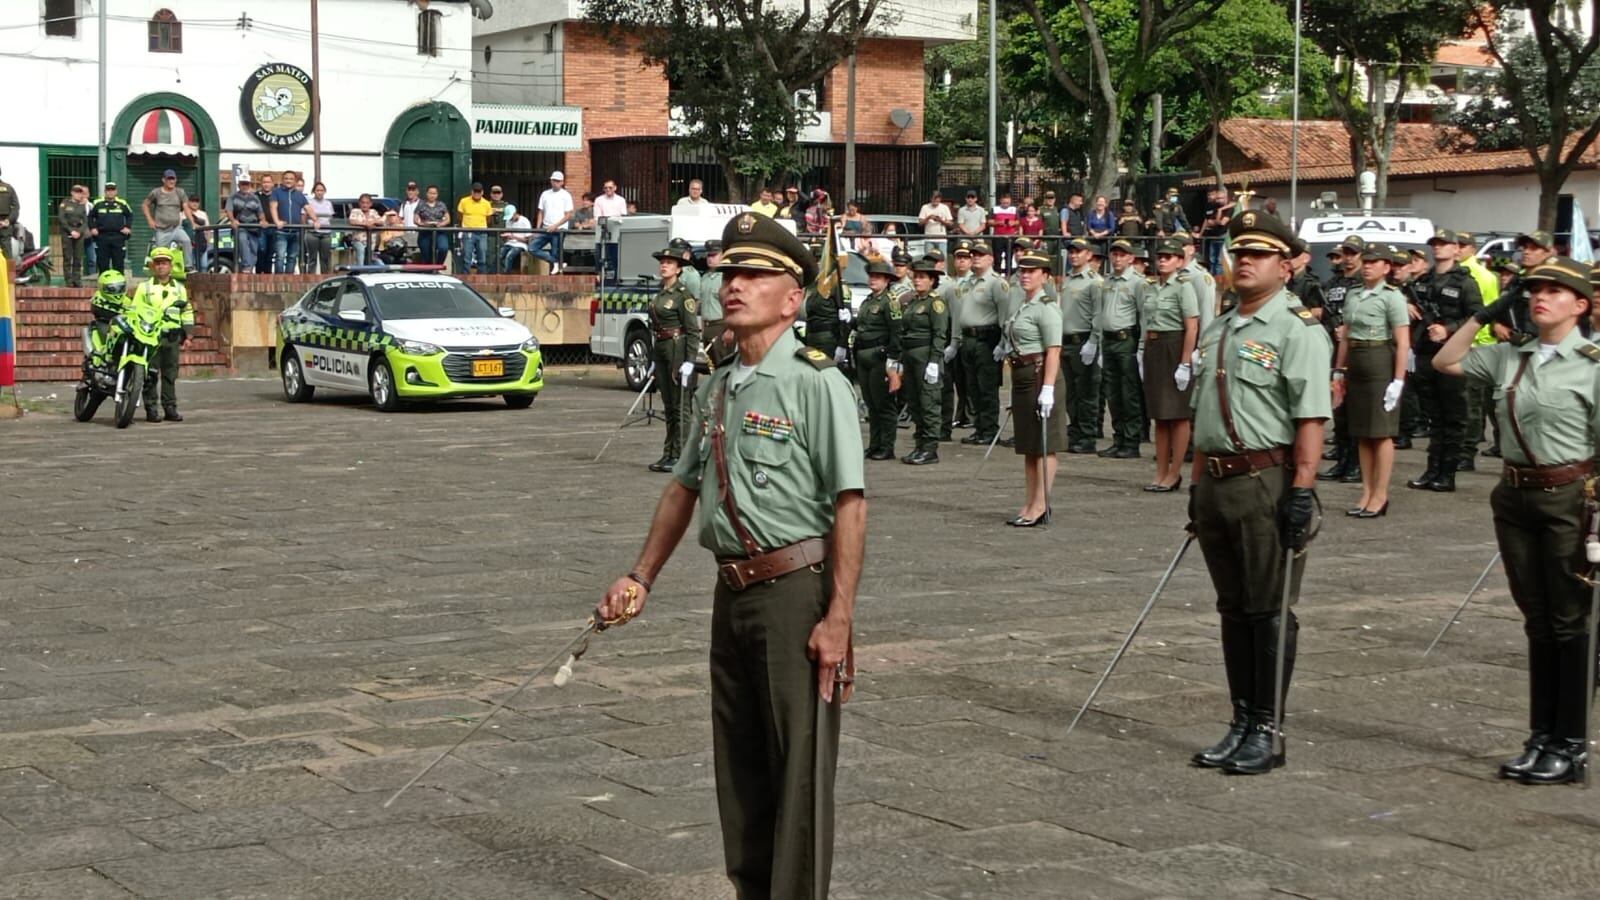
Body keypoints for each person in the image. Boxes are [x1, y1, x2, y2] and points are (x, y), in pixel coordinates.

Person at [595, 211, 862, 898]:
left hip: (794, 590)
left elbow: (850, 504)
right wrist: (639, 576)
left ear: (792, 295)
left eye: (753, 274)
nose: (733, 286)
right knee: (738, 767)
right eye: (729, 274)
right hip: (732, 590)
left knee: (796, 769)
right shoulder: (719, 382)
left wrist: (839, 618)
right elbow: (685, 487)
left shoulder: (814, 382)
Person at [1434, 256, 1600, 785]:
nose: (1539, 297)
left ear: (1581, 305)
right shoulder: (1510, 355)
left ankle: (1570, 745)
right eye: (1532, 290)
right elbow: (1446, 360)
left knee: (1569, 621)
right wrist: (1484, 315)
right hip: (1515, 496)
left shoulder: (1593, 365)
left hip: (1570, 497)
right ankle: (1540, 736)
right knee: (1536, 619)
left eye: (1554, 290)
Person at [1188, 210, 1331, 776]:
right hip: (1219, 481)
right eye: (1239, 252)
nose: (1244, 262)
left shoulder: (1297, 331)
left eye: (1260, 254)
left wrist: (1302, 490)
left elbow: (1311, 418)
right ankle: (1241, 719)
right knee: (1233, 608)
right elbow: (1206, 415)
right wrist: (1196, 487)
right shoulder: (1222, 327)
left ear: (1286, 266)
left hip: (1265, 479)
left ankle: (1269, 728)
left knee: (1269, 608)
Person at [1332, 244, 1411, 518]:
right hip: (1356, 359)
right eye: (1366, 261)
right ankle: (1366, 490)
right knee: (1362, 432)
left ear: (1387, 267)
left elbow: (1402, 342)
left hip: (1379, 359)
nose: (1367, 265)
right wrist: (1338, 371)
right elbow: (1347, 334)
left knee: (1381, 432)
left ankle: (1381, 493)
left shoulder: (1392, 297)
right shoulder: (1354, 294)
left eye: (1375, 262)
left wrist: (1398, 380)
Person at [1406, 228, 1484, 493]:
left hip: (1453, 354)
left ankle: (1447, 473)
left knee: (1453, 416)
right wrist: (1408, 305)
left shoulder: (1465, 282)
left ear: (1455, 249)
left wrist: (1448, 329)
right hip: (1427, 353)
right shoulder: (1423, 280)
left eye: (1444, 244)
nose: (1438, 248)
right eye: (1435, 244)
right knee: (1433, 416)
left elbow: (1477, 317)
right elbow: (1409, 302)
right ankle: (1432, 469)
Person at [1005, 248, 1066, 526]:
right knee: (1029, 445)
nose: (1025, 275)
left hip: (1040, 374)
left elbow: (1053, 351)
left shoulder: (1047, 307)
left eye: (1031, 271)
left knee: (1044, 444)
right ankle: (1029, 501)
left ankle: (1042, 503)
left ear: (1045, 275)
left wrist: (1048, 389)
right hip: (1022, 374)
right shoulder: (1024, 304)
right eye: (1022, 270)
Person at [1140, 238, 1200, 492]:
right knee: (1159, 414)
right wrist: (1142, 350)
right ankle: (1161, 471)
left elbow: (1192, 325)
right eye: (1160, 256)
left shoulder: (1183, 287)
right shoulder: (1152, 287)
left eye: (1169, 256)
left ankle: (1175, 472)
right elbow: (1146, 320)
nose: (1163, 260)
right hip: (1154, 347)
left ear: (1179, 260)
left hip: (1173, 346)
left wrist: (1185, 362)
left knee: (1178, 414)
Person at [645, 242, 701, 472]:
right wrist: (652, 360)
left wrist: (689, 360)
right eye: (662, 263)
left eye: (669, 263)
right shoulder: (661, 293)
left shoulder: (682, 295)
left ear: (679, 269)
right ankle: (668, 452)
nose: (664, 266)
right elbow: (655, 328)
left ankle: (682, 455)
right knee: (668, 405)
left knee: (681, 406)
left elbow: (692, 330)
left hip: (677, 349)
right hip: (662, 348)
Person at [1318, 236, 1366, 484]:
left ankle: (1356, 465)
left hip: (1356, 351)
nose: (1348, 257)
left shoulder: (1364, 284)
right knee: (1339, 408)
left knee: (1356, 409)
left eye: (1353, 253)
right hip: (1334, 350)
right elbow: (1325, 312)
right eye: (1345, 252)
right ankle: (1342, 460)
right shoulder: (1332, 283)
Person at [1097, 240, 1147, 458]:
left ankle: (1131, 440)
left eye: (1122, 255)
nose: (1117, 259)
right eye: (1114, 254)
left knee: (1129, 393)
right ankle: (1118, 438)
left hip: (1126, 339)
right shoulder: (1107, 281)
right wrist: (1097, 342)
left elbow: (1144, 316)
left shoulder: (1138, 282)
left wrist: (1142, 347)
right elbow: (1101, 314)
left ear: (1131, 258)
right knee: (1113, 393)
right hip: (1108, 340)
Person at [899, 258, 951, 465]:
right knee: (915, 403)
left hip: (926, 356)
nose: (917, 280)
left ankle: (930, 448)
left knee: (929, 403)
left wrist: (934, 361)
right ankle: (919, 445)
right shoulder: (913, 302)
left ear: (932, 280)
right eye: (915, 276)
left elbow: (940, 333)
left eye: (922, 277)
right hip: (911, 356)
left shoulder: (935, 303)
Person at [135, 247, 193, 423]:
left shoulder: (180, 289)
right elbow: (136, 310)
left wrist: (188, 335)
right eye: (158, 263)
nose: (161, 267)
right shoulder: (144, 288)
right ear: (153, 266)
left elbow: (186, 311)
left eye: (165, 263)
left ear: (170, 266)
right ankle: (151, 409)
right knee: (150, 374)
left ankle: (170, 408)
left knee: (170, 374)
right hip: (150, 337)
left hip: (172, 337)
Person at [854, 257, 904, 459]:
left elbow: (897, 332)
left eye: (877, 277)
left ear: (886, 280)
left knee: (883, 404)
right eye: (871, 276)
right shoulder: (868, 301)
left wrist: (893, 361)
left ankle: (886, 446)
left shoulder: (890, 302)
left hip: (879, 355)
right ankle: (875, 444)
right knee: (871, 404)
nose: (872, 280)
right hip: (863, 354)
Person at [959, 241, 1006, 445]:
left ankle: (989, 429)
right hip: (968, 338)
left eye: (980, 254)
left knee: (987, 387)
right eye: (973, 255)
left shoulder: (996, 283)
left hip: (987, 338)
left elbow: (1005, 315)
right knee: (972, 387)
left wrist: (1003, 343)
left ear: (990, 259)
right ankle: (979, 427)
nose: (975, 257)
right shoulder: (967, 282)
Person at [1060, 238, 1104, 453]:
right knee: (1070, 393)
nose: (1074, 255)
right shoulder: (1068, 279)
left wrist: (1094, 341)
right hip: (1067, 342)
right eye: (1071, 252)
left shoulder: (1094, 281)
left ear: (1088, 255)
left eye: (1078, 252)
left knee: (1086, 392)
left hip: (1083, 341)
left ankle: (1088, 435)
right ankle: (1075, 430)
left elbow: (1098, 313)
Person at [142, 169, 195, 272]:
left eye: (173, 179)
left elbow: (186, 207)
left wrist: (192, 222)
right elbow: (145, 205)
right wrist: (150, 220)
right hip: (162, 230)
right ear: (163, 180)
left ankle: (188, 266)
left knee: (186, 241)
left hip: (176, 228)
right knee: (161, 253)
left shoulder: (180, 192)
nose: (171, 181)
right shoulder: (156, 192)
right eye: (169, 179)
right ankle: (159, 272)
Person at [699, 240, 735, 368]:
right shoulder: (705, 278)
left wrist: (730, 329)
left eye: (714, 255)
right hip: (708, 327)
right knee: (711, 367)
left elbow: (732, 304)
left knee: (723, 365)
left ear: (722, 255)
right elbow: (703, 306)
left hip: (721, 326)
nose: (710, 258)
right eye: (708, 255)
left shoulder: (726, 278)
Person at [531, 171, 573, 273]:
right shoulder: (545, 194)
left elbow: (568, 215)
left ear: (562, 182)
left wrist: (555, 226)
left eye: (558, 181)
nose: (555, 183)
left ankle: (556, 263)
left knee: (555, 251)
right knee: (532, 248)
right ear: (551, 181)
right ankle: (557, 262)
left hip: (559, 229)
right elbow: (540, 212)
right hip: (545, 228)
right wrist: (538, 228)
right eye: (554, 180)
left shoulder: (566, 195)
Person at [88, 182, 134, 275]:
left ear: (116, 191)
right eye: (108, 190)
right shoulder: (97, 203)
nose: (110, 192)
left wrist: (127, 227)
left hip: (118, 236)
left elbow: (130, 215)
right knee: (102, 263)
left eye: (112, 190)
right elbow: (90, 217)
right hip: (102, 236)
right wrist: (93, 228)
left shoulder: (122, 203)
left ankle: (119, 284)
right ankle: (103, 283)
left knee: (118, 262)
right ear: (105, 191)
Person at [87, 269, 128, 368]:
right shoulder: (98, 299)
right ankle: (100, 356)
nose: (117, 292)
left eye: (120, 288)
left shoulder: (127, 301)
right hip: (105, 325)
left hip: (123, 326)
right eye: (112, 289)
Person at [224, 176, 263, 273]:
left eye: (247, 184)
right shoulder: (233, 197)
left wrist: (263, 220)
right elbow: (228, 210)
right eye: (243, 184)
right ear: (239, 185)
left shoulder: (255, 198)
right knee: (243, 242)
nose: (245, 186)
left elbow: (260, 212)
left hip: (254, 227)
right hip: (240, 226)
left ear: (250, 185)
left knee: (254, 250)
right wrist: (233, 220)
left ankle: (248, 270)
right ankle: (246, 267)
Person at [57, 184, 89, 287]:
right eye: (76, 192)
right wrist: (71, 231)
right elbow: (62, 218)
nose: (78, 195)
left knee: (78, 257)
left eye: (80, 193)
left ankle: (77, 279)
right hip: (67, 232)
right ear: (72, 193)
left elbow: (85, 221)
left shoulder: (82, 205)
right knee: (67, 257)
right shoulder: (65, 203)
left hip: (79, 233)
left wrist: (79, 231)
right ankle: (68, 280)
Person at [457, 182, 492, 274]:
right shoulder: (464, 201)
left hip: (482, 232)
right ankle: (465, 277)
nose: (476, 193)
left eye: (478, 192)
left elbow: (489, 219)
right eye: (475, 191)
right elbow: (459, 216)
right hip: (468, 232)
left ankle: (482, 277)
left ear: (482, 192)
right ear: (471, 192)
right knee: (467, 256)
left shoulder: (487, 203)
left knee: (482, 256)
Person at [414, 185, 451, 267]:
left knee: (443, 248)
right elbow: (415, 219)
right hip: (425, 232)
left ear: (437, 194)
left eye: (434, 193)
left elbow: (448, 219)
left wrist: (440, 224)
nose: (432, 195)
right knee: (426, 252)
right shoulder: (421, 204)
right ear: (427, 194)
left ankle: (437, 266)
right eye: (430, 193)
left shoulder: (441, 205)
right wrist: (423, 224)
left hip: (439, 231)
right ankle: (428, 270)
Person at [302, 182, 333, 274]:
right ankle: (310, 277)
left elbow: (330, 217)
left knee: (325, 258)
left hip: (326, 233)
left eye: (321, 190)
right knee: (312, 258)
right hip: (312, 233)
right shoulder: (309, 202)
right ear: (314, 191)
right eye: (317, 190)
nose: (319, 192)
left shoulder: (328, 203)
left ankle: (325, 277)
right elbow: (304, 216)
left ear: (324, 192)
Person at [346, 193, 383, 266]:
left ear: (370, 204)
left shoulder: (374, 212)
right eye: (363, 202)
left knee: (369, 260)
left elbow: (381, 221)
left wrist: (373, 221)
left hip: (371, 242)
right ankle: (360, 271)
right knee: (360, 253)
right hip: (358, 240)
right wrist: (365, 224)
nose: (365, 205)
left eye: (367, 203)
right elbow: (352, 221)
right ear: (359, 203)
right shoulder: (355, 211)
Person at [498, 204, 532, 273]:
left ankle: (507, 274)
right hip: (509, 243)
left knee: (509, 256)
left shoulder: (525, 221)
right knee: (499, 255)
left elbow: (527, 240)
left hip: (521, 244)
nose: (510, 219)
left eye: (511, 217)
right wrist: (505, 236)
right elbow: (508, 234)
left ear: (515, 213)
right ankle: (498, 272)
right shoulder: (508, 221)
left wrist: (513, 236)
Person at [0, 165, 19, 266]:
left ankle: (9, 281)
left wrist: (8, 221)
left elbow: (16, 206)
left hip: (5, 226)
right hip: (4, 224)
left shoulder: (8, 188)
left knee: (8, 255)